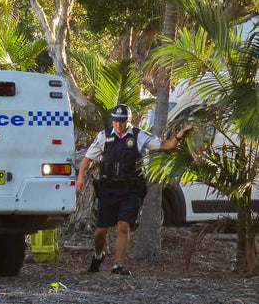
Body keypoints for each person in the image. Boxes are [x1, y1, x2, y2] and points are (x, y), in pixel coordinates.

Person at [75, 103, 193, 275]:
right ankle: (98, 255)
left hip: (130, 189)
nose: (119, 125)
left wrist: (178, 136)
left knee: (124, 225)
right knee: (101, 230)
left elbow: (164, 146)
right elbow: (87, 159)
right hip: (108, 188)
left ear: (129, 120)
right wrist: (80, 177)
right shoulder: (104, 136)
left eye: (122, 122)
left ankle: (117, 266)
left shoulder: (139, 136)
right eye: (116, 121)